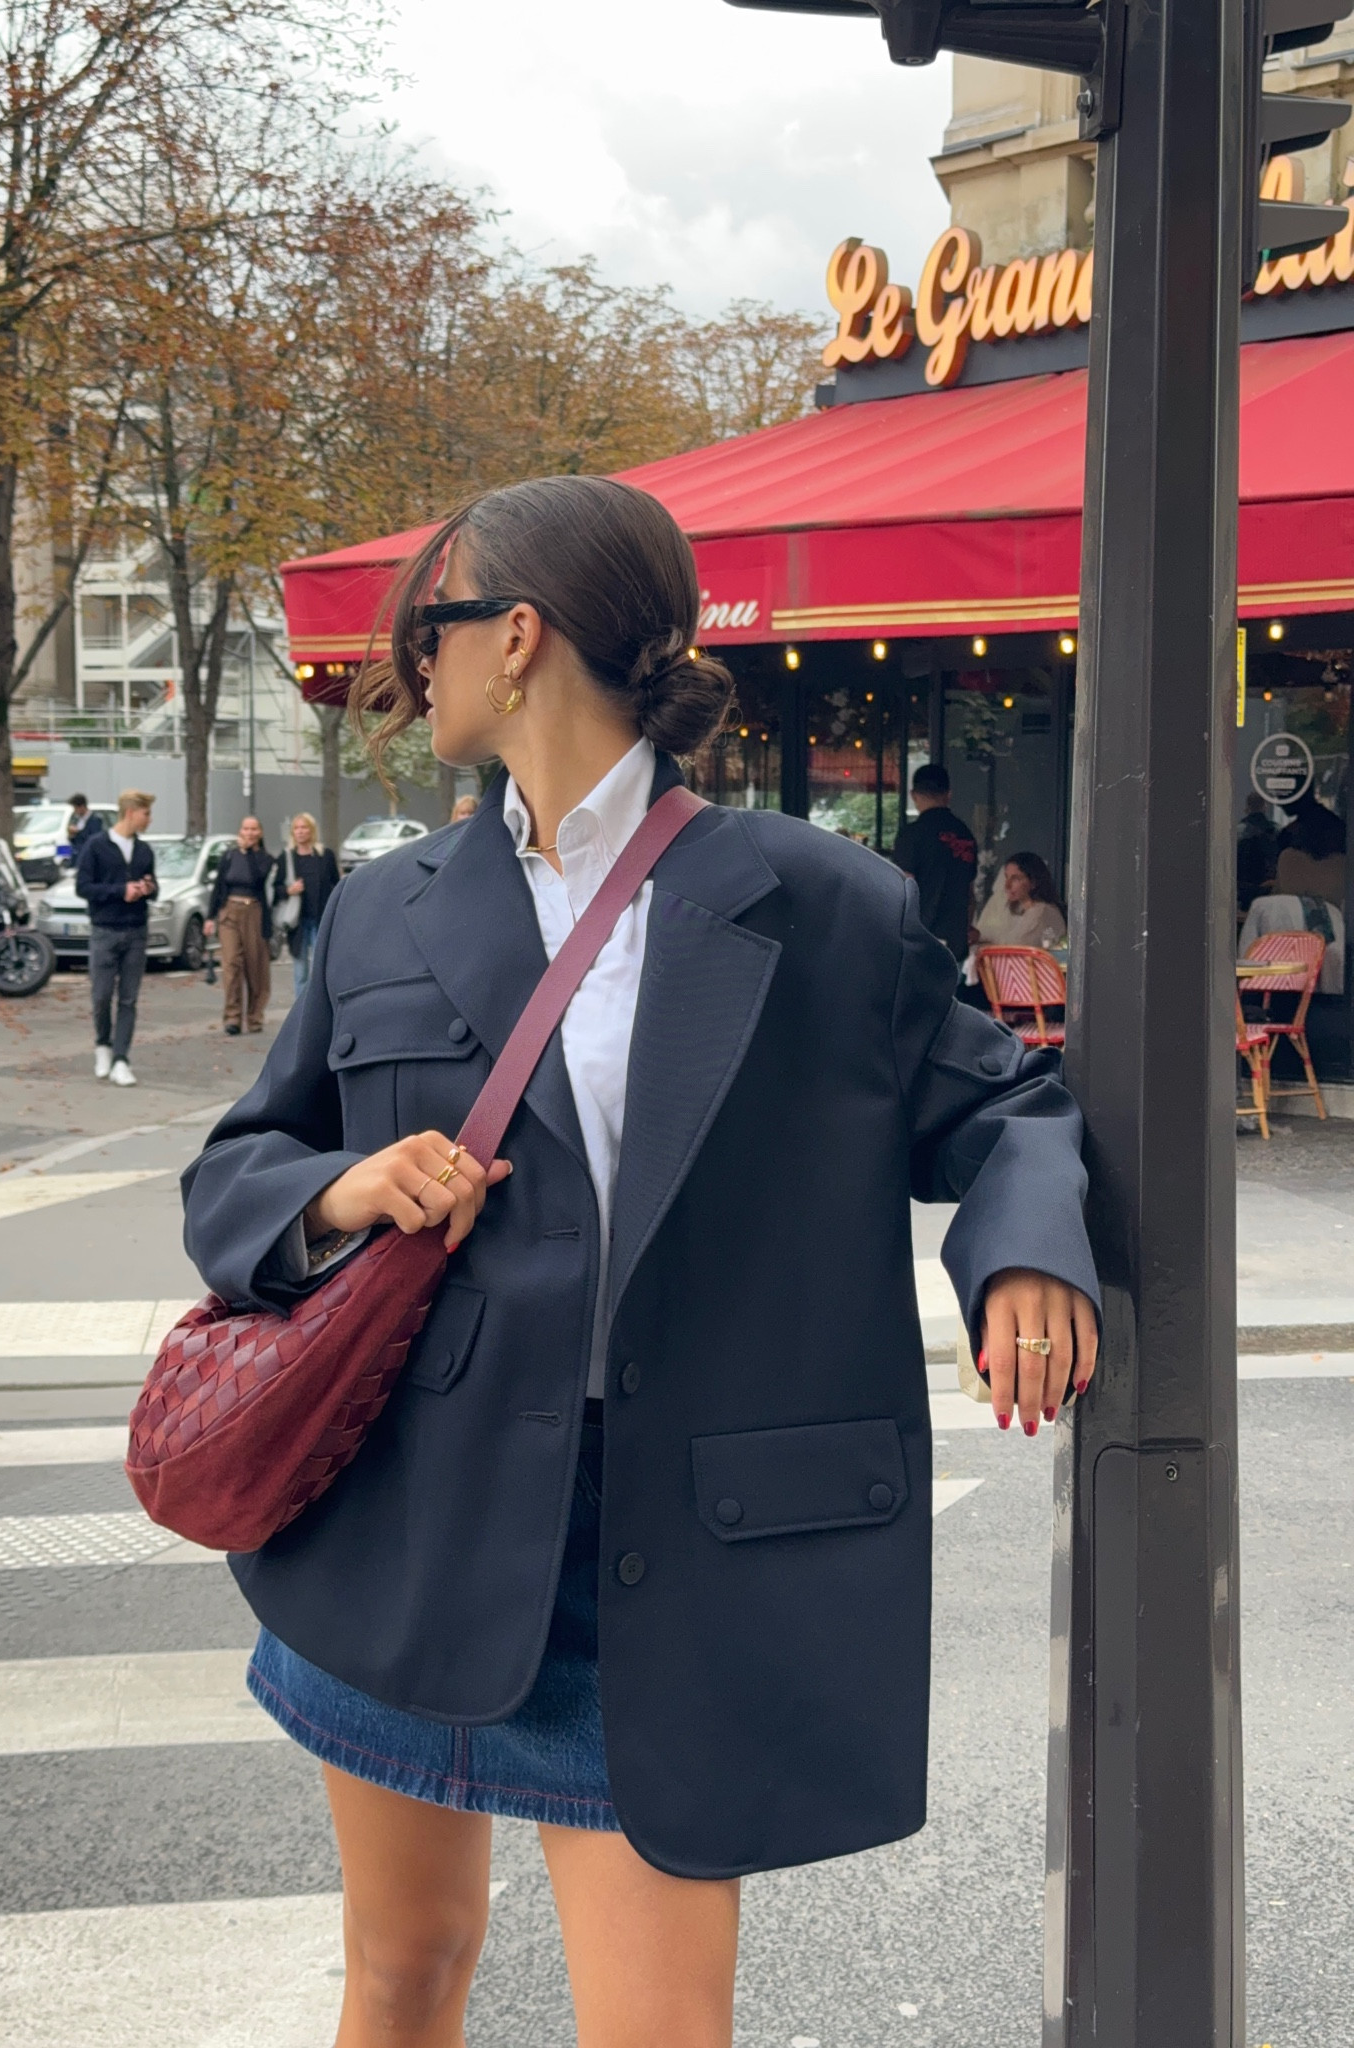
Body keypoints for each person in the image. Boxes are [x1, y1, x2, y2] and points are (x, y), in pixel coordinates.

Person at [181, 475, 1099, 2048]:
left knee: (659, 2030)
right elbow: (240, 1168)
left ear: (520, 636)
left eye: (434, 626)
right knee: (401, 1976)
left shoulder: (821, 904)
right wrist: (346, 1194)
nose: (412, 664)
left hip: (659, 1554)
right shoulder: (386, 909)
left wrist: (1026, 1259)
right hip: (408, 1521)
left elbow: (1006, 1101)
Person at [75, 789, 155, 1087]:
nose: (149, 819)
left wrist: (148, 887)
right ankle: (102, 1045)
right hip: (104, 929)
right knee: (101, 995)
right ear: (131, 812)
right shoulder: (97, 846)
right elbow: (83, 887)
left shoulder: (144, 850)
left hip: (136, 929)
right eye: (146, 813)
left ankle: (122, 1058)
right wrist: (120, 891)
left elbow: (154, 884)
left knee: (129, 998)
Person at [889, 763, 979, 961]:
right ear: (948, 794)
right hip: (955, 943)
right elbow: (970, 893)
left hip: (920, 939)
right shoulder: (965, 835)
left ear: (914, 795)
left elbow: (904, 887)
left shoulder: (911, 835)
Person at [205, 816, 273, 1034]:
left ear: (260, 833)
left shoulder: (265, 858)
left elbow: (258, 879)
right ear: (240, 831)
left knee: (255, 967)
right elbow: (218, 886)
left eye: (254, 829)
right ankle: (232, 1017)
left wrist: (249, 853)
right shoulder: (229, 856)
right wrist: (210, 916)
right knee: (232, 963)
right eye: (245, 829)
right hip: (229, 912)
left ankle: (254, 1016)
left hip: (254, 911)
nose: (249, 833)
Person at [271, 812, 339, 1000]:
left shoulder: (325, 856)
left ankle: (320, 1006)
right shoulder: (286, 858)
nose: (300, 832)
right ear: (292, 832)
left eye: (304, 827)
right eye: (297, 828)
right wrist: (289, 890)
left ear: (312, 830)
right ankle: (300, 1012)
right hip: (298, 923)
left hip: (320, 919)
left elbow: (336, 884)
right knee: (300, 971)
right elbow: (275, 889)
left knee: (321, 969)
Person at [971, 850, 1067, 953]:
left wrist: (983, 940)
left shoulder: (1042, 912)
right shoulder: (1019, 909)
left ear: (1033, 882)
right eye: (1006, 877)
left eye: (1015, 879)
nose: (1007, 885)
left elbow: (1014, 947)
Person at [1236, 791, 1277, 911]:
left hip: (1244, 888)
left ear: (1247, 807)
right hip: (1268, 887)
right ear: (1265, 806)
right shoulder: (1275, 831)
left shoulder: (1239, 831)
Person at [65, 793, 102, 857]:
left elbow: (94, 840)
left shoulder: (95, 820)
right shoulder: (76, 820)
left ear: (82, 807)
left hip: (88, 856)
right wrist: (71, 835)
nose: (75, 811)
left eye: (75, 808)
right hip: (76, 856)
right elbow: (73, 841)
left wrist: (79, 832)